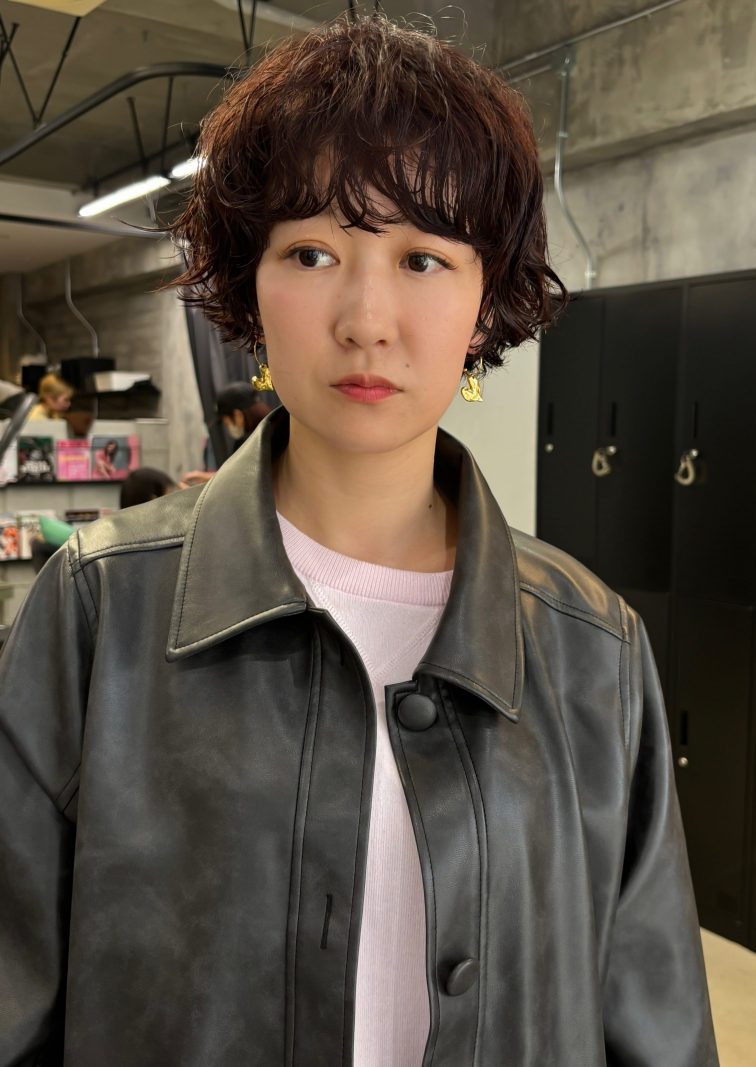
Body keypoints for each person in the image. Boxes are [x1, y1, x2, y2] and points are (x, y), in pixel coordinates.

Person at [0, 15, 719, 1067]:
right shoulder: (100, 607)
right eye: (312, 252)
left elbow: (655, 1026)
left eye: (423, 258)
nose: (366, 317)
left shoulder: (590, 649)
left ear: (485, 303)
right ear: (249, 285)